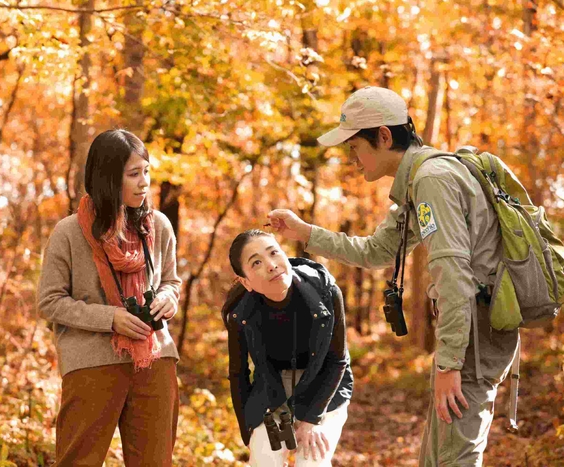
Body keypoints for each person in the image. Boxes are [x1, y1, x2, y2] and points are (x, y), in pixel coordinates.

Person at [267, 86, 519, 466]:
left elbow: (453, 273)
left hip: (473, 336)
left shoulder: (432, 179)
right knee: (438, 458)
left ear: (384, 136)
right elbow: (377, 251)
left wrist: (450, 362)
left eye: (355, 147)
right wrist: (304, 232)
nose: (352, 159)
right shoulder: (419, 181)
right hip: (467, 333)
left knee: (455, 459)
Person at [37, 129, 181, 466]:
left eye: (146, 171)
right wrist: (110, 318)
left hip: (155, 359)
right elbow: (50, 301)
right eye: (133, 174)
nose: (144, 183)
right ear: (108, 178)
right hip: (92, 362)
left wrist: (168, 298)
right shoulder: (69, 232)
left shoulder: (158, 225)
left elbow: (171, 281)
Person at [221, 229, 353, 467]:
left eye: (274, 253)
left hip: (324, 384)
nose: (271, 265)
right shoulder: (240, 313)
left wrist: (311, 420)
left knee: (310, 462)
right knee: (264, 461)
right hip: (272, 388)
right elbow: (238, 374)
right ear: (245, 282)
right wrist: (247, 431)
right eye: (256, 262)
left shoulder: (325, 290)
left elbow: (337, 360)